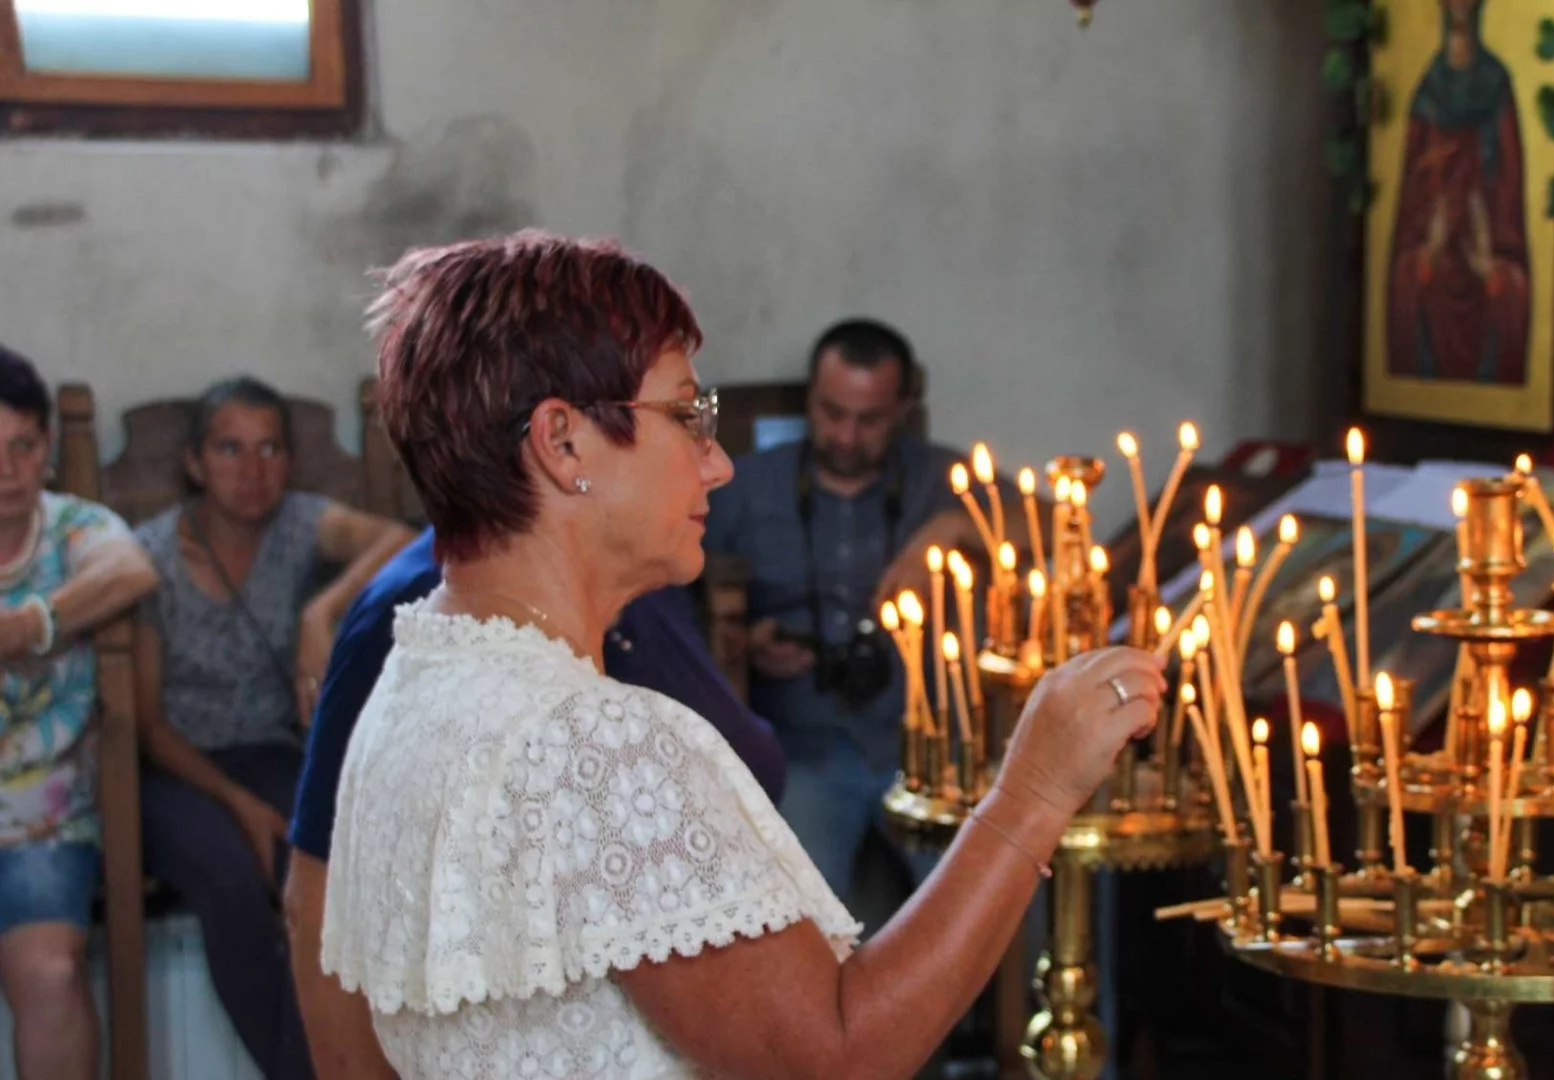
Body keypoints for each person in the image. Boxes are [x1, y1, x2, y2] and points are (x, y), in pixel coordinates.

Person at [322, 231, 1162, 1080]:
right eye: (687, 416)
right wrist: (1034, 791)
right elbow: (836, 1057)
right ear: (563, 442)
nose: (716, 463)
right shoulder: (595, 742)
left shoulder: (413, 676)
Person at [282, 526, 787, 1080]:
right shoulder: (432, 612)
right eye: (687, 433)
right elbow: (317, 896)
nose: (714, 464)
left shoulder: (642, 579)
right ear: (563, 445)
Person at [132, 377, 415, 1080]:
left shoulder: (298, 523)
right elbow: (145, 724)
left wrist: (321, 612)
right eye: (229, 449)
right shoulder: (151, 555)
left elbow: (403, 540)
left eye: (269, 449)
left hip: (270, 750)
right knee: (230, 881)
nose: (251, 470)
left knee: (321, 872)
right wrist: (238, 806)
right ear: (196, 463)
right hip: (177, 766)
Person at [704, 319, 1025, 901]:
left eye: (870, 419)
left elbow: (1057, 528)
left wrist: (952, 528)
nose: (847, 435)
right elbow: (674, 594)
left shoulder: (940, 478)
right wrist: (744, 644)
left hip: (930, 747)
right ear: (810, 400)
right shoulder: (745, 486)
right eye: (832, 413)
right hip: (803, 747)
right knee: (795, 915)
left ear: (902, 409)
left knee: (992, 899)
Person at [0, 345, 158, 1080]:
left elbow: (129, 570)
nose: (7, 470)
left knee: (51, 973)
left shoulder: (72, 528)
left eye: (22, 447)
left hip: (44, 818)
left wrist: (29, 625)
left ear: (47, 449)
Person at [1386, 0, 1531, 384]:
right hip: (1437, 250)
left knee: (1509, 291)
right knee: (1409, 284)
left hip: (1483, 246)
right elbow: (1410, 207)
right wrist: (1427, 251)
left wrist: (1491, 263)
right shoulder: (1427, 93)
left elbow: (1510, 195)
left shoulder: (1497, 86)